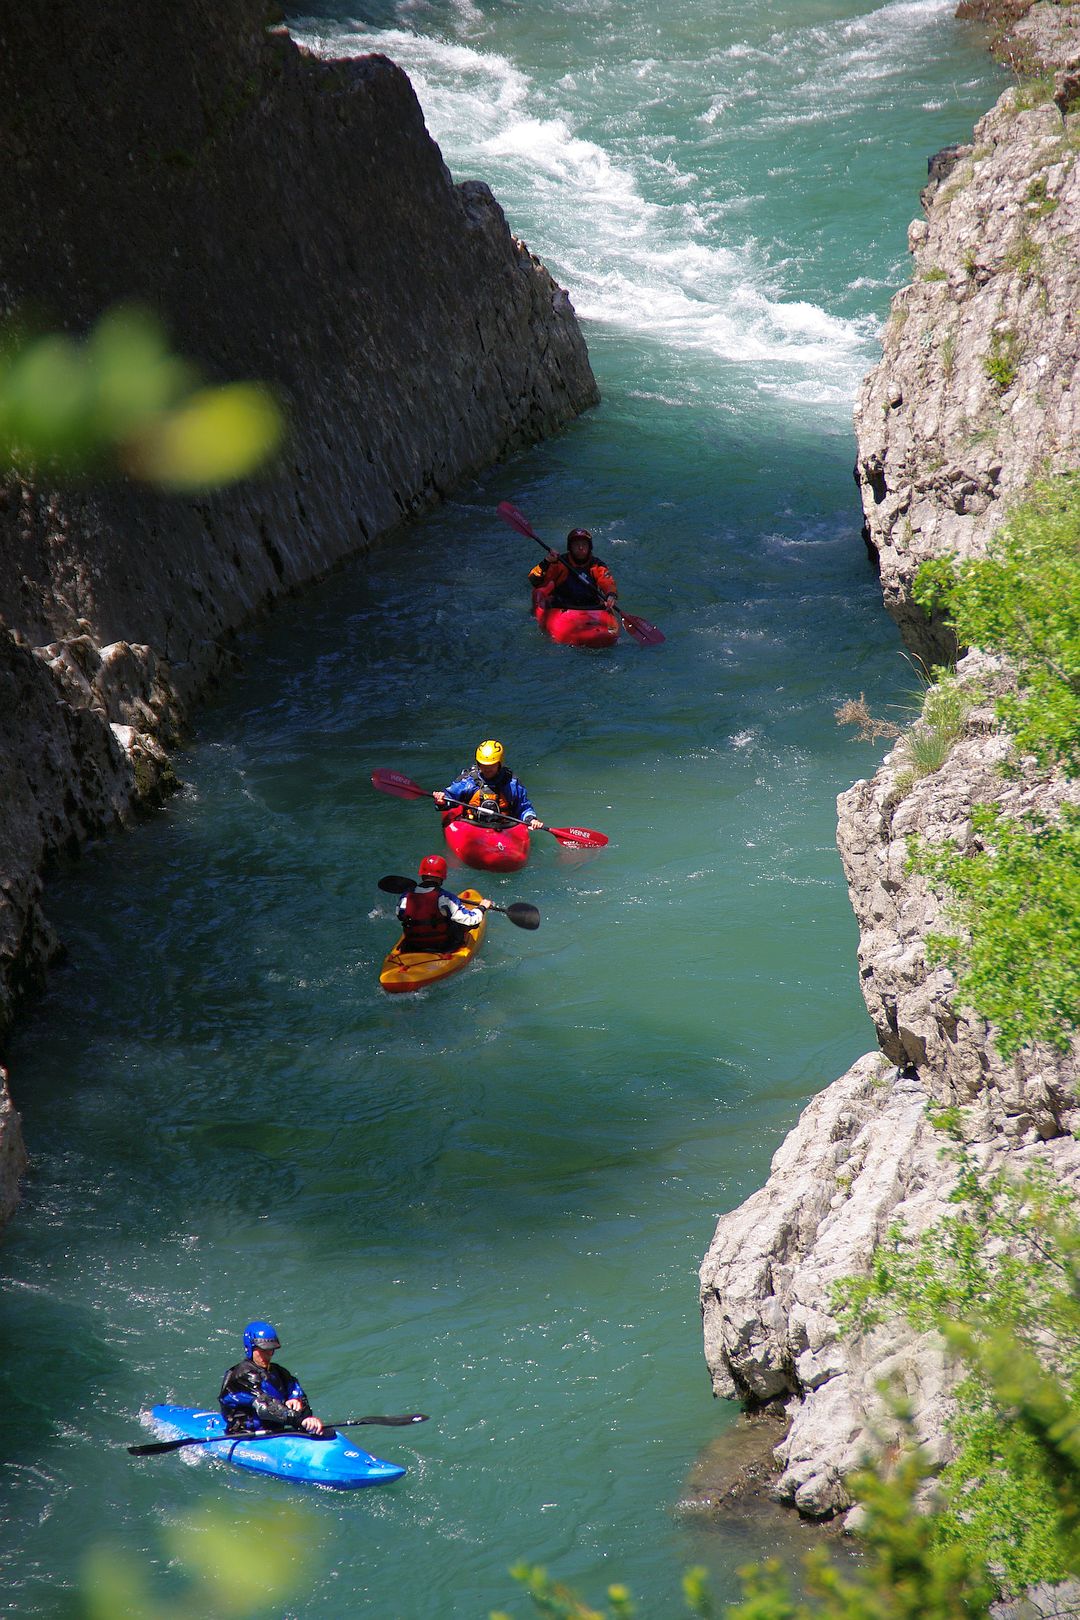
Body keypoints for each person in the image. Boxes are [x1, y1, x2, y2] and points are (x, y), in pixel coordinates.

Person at [219, 1321, 326, 1436]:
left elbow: (297, 1392)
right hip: (246, 1435)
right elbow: (266, 1407)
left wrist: (297, 1403)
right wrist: (300, 1420)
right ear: (250, 1348)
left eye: (271, 1349)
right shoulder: (241, 1376)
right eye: (263, 1350)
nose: (269, 1354)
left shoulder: (279, 1372)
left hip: (276, 1432)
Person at [433, 740, 544, 830]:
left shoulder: (511, 783)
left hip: (505, 827)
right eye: (482, 765)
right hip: (472, 825)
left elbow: (523, 807)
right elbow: (450, 796)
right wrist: (442, 801)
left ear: (499, 763)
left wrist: (531, 819)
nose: (486, 769)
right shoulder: (468, 781)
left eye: (491, 765)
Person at [396, 854, 491, 953]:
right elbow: (471, 919)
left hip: (414, 945)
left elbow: (400, 915)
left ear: (422, 874)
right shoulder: (445, 898)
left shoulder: (405, 897)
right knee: (465, 923)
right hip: (441, 946)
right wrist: (482, 907)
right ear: (442, 876)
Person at [529, 528, 617, 612]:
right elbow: (535, 580)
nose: (581, 548)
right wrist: (546, 562)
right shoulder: (560, 563)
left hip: (591, 607)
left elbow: (607, 582)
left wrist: (611, 595)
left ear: (589, 547)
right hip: (562, 607)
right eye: (576, 544)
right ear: (570, 547)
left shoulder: (597, 565)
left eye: (584, 544)